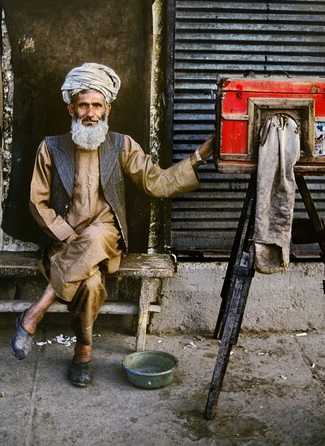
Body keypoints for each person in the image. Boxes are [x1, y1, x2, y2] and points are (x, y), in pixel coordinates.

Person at [11, 62, 215, 387]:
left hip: (107, 244)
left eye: (96, 105)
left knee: (96, 234)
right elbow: (38, 202)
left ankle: (36, 311)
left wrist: (198, 158)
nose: (90, 113)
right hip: (65, 245)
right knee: (90, 285)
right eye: (83, 105)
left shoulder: (122, 145)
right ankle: (83, 350)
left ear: (108, 107)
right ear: (71, 107)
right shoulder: (50, 147)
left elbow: (157, 183)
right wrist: (64, 232)